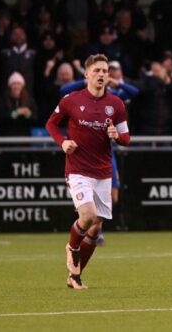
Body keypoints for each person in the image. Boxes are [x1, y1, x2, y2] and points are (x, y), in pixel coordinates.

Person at [45, 54, 131, 289]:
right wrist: (62, 142)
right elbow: (51, 124)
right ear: (86, 75)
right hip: (78, 169)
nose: (102, 74)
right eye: (97, 71)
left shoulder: (116, 104)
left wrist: (118, 137)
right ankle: (72, 247)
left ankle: (74, 276)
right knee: (88, 216)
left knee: (96, 227)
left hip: (103, 172)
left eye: (105, 71)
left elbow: (126, 138)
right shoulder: (71, 100)